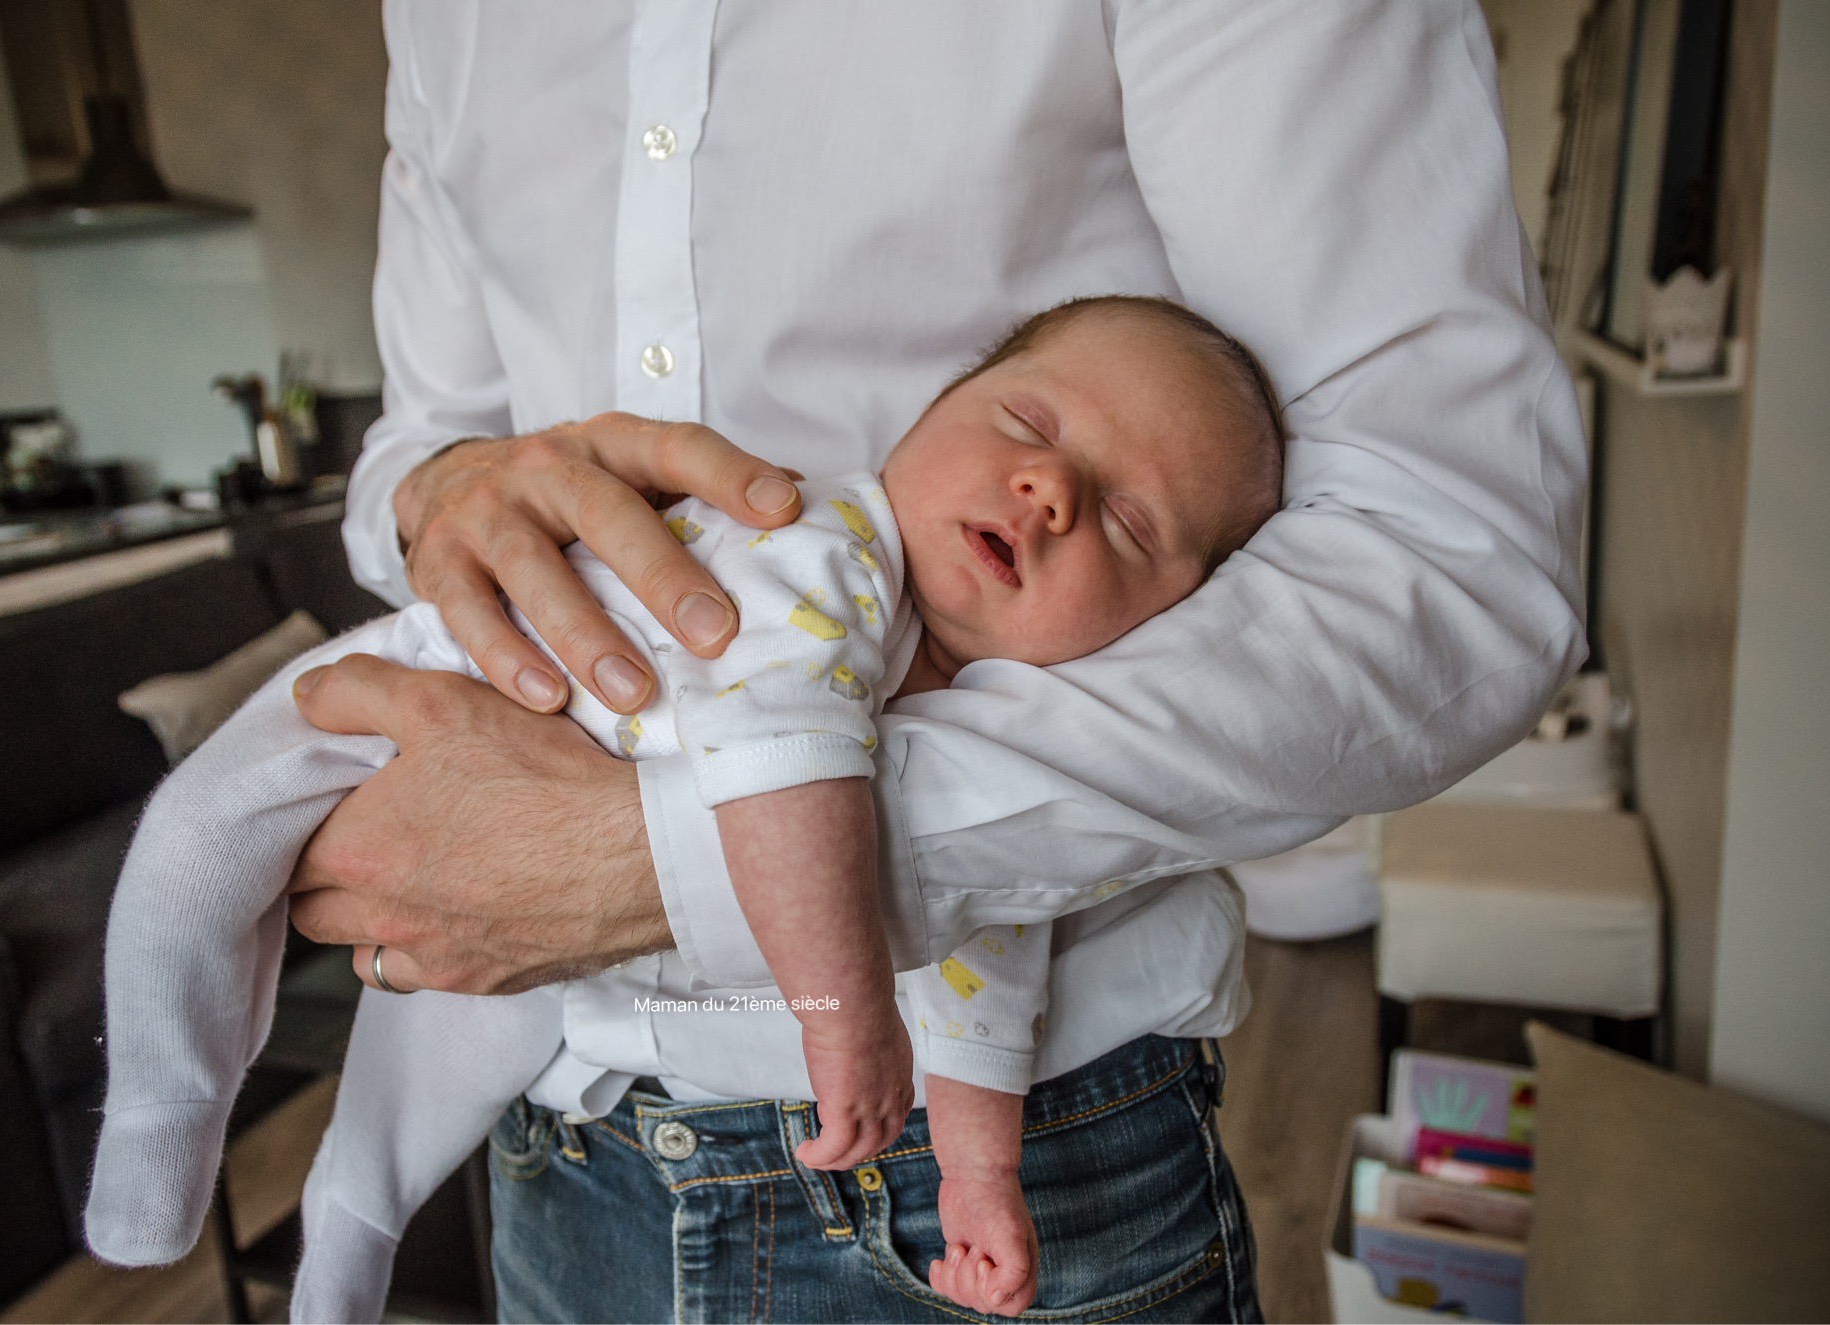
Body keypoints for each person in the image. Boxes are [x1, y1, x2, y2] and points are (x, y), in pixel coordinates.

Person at [284, 4, 1587, 1319]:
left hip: (1024, 1152)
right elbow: (418, 446)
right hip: (559, 1132)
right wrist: (453, 484)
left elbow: (1453, 557)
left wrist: (676, 857)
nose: (1047, 491)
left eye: (1122, 520)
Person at [88, 297, 1286, 1322]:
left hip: (564, 966)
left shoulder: (1004, 731)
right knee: (196, 848)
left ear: (1161, 628)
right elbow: (782, 777)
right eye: (1022, 424)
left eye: (1129, 526)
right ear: (928, 413)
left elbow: (984, 956)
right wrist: (843, 1021)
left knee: (435, 1065)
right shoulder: (825, 548)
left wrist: (978, 1176)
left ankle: (345, 1234)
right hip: (426, 693)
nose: (1050, 488)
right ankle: (155, 1137)